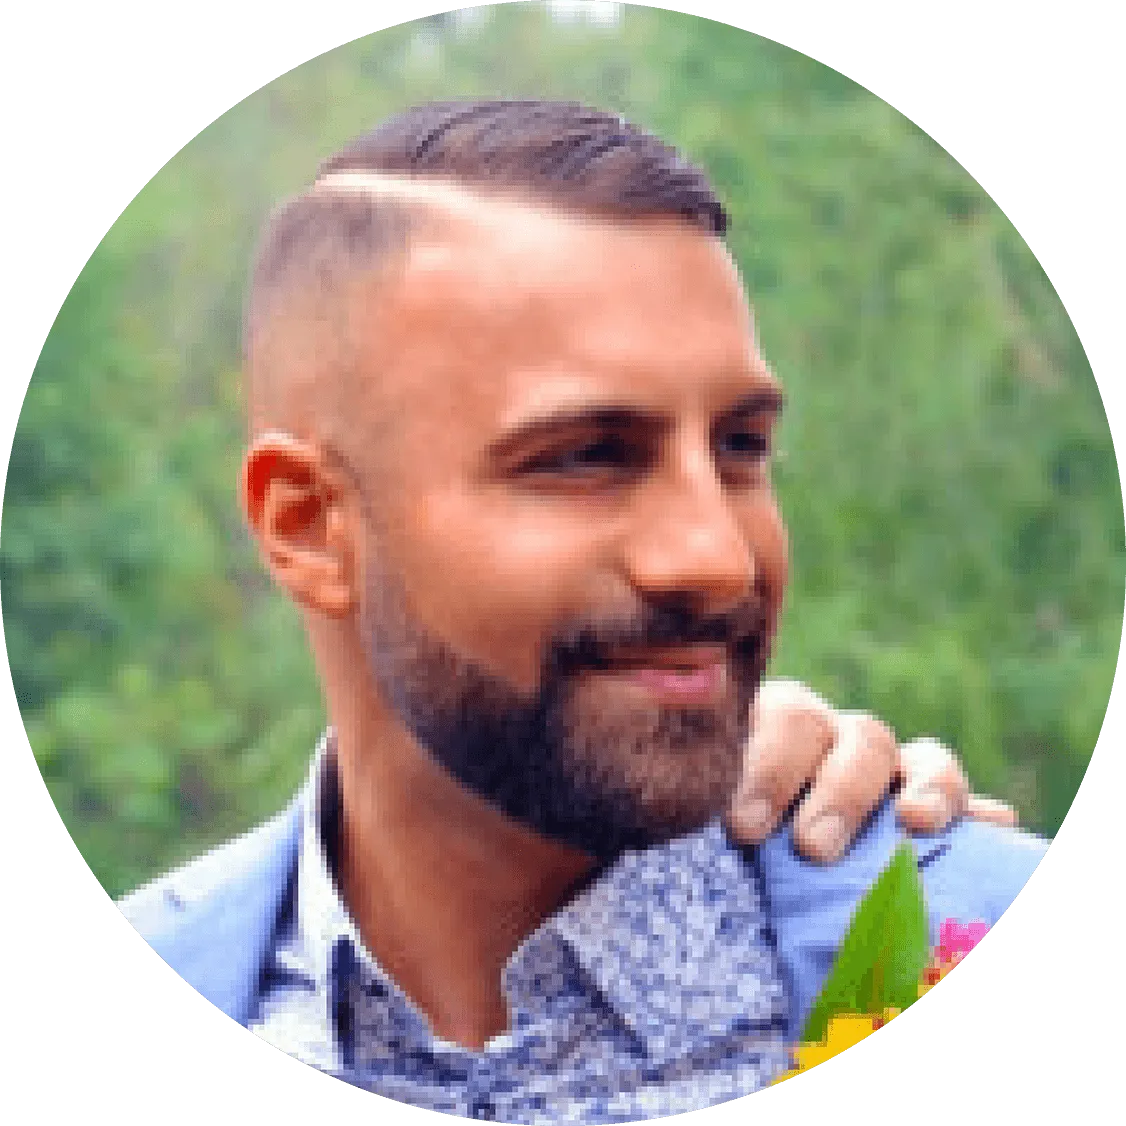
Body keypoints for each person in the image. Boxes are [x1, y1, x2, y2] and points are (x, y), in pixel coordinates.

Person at [116, 101, 1049, 1123]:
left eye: (740, 446)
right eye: (587, 456)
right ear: (309, 526)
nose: (717, 559)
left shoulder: (957, 925)